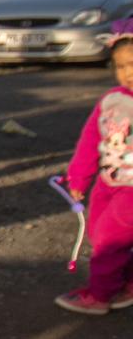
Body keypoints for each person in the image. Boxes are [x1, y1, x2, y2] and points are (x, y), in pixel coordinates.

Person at [56, 25, 133, 315]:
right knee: (101, 233)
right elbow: (91, 140)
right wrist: (79, 176)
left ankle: (100, 295)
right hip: (108, 184)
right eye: (121, 66)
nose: (128, 72)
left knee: (108, 240)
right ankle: (127, 281)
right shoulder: (112, 100)